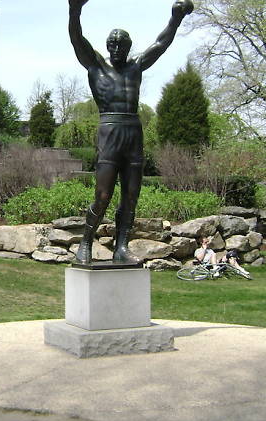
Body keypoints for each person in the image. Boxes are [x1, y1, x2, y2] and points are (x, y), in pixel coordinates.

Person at [69, 0, 194, 264]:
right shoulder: (96, 66)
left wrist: (176, 18)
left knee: (131, 195)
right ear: (106, 47)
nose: (116, 48)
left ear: (128, 47)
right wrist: (74, 9)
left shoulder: (135, 67)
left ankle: (121, 247)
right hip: (110, 131)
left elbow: (161, 44)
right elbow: (77, 38)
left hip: (133, 132)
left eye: (121, 45)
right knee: (102, 195)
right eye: (112, 44)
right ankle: (85, 243)